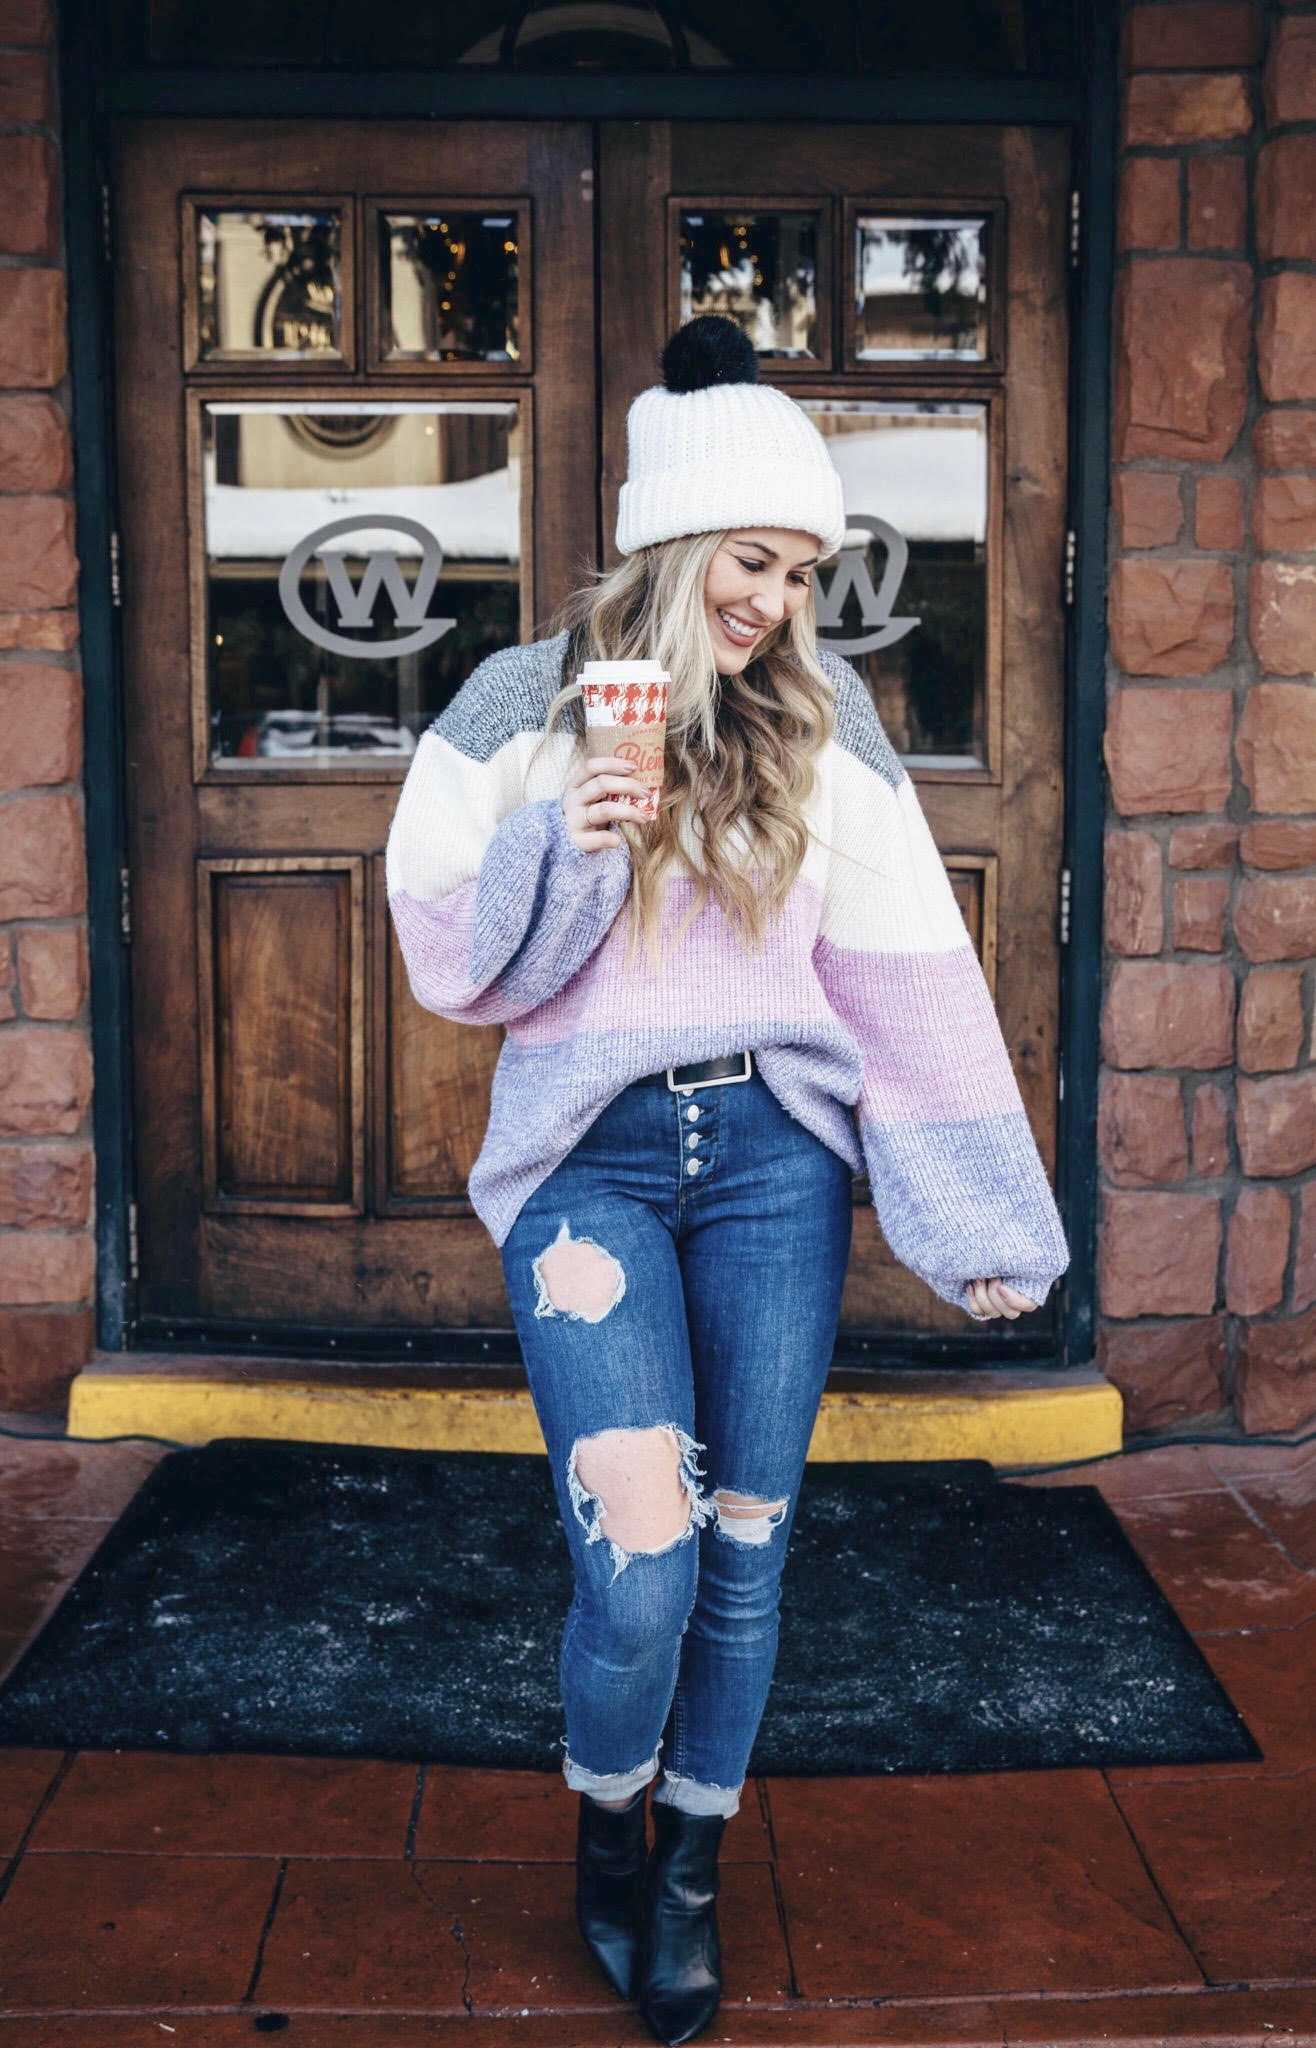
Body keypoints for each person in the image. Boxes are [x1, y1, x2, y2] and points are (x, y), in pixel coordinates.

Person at [386, 314, 1069, 2046]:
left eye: (799, 569)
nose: (773, 599)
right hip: (587, 1169)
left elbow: (907, 971)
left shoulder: (823, 718)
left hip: (772, 1162)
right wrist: (573, 839)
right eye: (753, 559)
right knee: (643, 1562)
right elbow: (456, 970)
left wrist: (980, 1223)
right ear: (675, 534)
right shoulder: (515, 704)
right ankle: (607, 1822)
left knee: (750, 1554)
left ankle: (686, 1866)